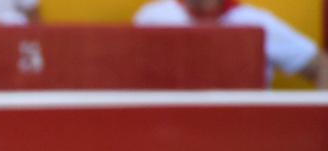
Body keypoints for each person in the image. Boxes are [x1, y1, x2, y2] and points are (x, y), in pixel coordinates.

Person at [132, 0, 327, 86]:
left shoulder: (256, 21)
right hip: (167, 129)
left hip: (245, 131)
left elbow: (321, 66)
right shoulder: (154, 16)